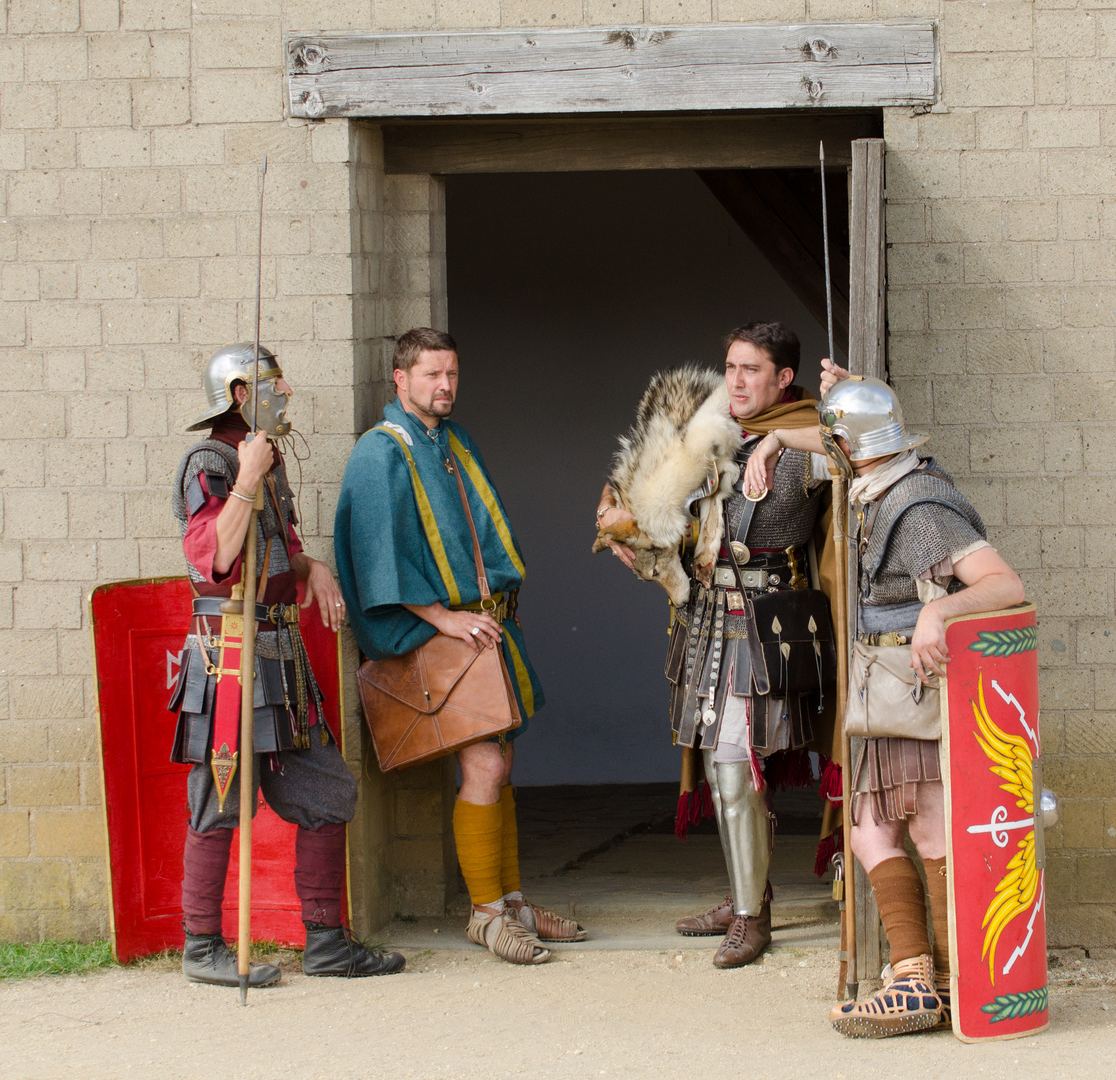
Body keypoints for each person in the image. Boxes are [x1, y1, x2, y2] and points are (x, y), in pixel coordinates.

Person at [334, 327, 580, 966]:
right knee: (486, 767)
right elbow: (373, 554)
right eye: (431, 376)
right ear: (400, 379)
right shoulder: (379, 452)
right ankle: (487, 914)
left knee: (501, 764)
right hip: (445, 636)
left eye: (451, 375)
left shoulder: (450, 440)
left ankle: (513, 901)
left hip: (483, 630)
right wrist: (440, 617)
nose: (444, 387)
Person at [597, 322, 838, 969]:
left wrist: (782, 438)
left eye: (750, 369)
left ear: (784, 379)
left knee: (735, 771)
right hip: (706, 617)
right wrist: (630, 522)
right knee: (720, 767)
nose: (733, 380)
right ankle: (743, 898)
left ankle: (752, 918)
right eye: (729, 367)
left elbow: (862, 446)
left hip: (765, 624)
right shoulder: (711, 437)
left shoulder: (803, 438)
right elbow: (666, 511)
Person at [170, 342, 406, 988]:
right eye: (276, 385)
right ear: (243, 396)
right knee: (219, 802)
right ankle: (202, 947)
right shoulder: (212, 462)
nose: (290, 395)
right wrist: (245, 478)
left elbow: (279, 553)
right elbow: (214, 558)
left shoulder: (265, 459)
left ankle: (328, 943)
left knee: (330, 791)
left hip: (280, 659)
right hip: (230, 659)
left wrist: (313, 566)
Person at [817, 363, 1025, 1038]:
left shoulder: (917, 503)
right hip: (884, 690)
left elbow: (1002, 585)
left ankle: (948, 980)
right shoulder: (878, 487)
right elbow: (807, 438)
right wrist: (833, 406)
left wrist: (940, 615)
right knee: (869, 830)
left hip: (918, 686)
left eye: (835, 441)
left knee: (931, 830)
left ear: (852, 447)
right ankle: (914, 977)